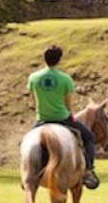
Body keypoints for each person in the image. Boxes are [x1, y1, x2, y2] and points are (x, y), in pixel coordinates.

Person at [28, 45, 99, 189]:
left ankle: (27, 173)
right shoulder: (65, 79)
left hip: (42, 119)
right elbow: (68, 105)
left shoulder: (33, 77)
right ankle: (88, 171)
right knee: (89, 138)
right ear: (59, 60)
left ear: (44, 58)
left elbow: (31, 102)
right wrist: (70, 115)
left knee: (25, 142)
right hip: (62, 118)